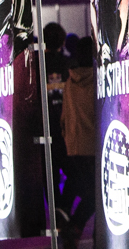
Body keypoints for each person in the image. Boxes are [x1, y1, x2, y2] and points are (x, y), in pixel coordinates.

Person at [60, 38, 97, 249]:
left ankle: (72, 226)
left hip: (74, 146)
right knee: (96, 194)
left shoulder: (70, 82)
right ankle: (75, 226)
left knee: (89, 191)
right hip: (94, 145)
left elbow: (64, 117)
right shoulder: (98, 79)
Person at [43, 22, 70, 216]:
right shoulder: (70, 64)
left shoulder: (38, 64)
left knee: (50, 172)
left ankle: (56, 210)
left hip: (45, 127)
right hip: (67, 125)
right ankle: (64, 208)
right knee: (74, 171)